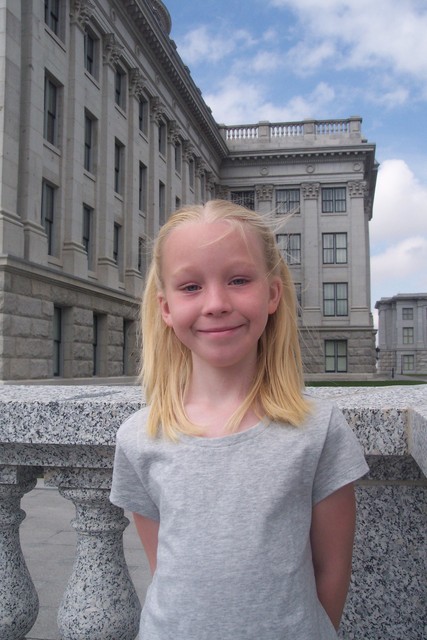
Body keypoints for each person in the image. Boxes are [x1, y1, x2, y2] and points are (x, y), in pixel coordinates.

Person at [110, 199, 369, 640]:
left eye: (238, 280)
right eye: (191, 287)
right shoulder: (140, 437)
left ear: (272, 294)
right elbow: (165, 569)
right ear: (166, 308)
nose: (215, 303)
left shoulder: (318, 428)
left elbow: (332, 569)